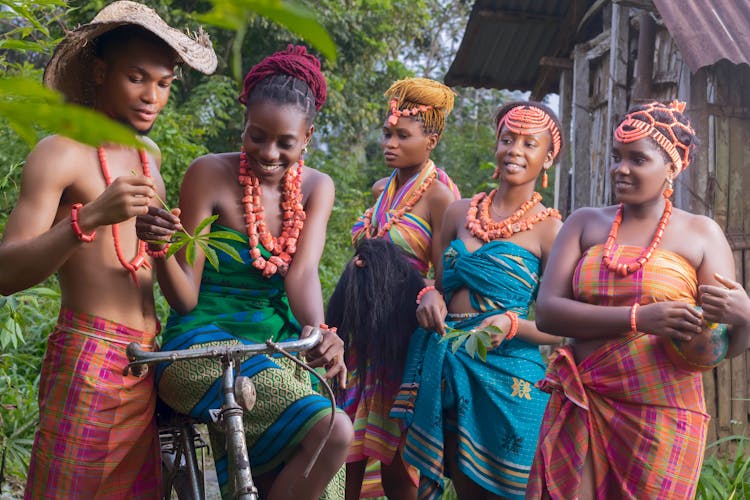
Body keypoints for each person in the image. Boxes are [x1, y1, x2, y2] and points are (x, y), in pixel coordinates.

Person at [0, 2, 217, 497]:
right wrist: (90, 217)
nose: (151, 96)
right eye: (136, 77)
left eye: (163, 83)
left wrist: (165, 244)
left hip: (146, 366)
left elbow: (182, 297)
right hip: (87, 360)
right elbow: (5, 272)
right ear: (100, 72)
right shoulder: (61, 152)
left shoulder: (150, 159)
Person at [135, 45, 351, 500]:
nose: (268, 153)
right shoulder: (208, 175)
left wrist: (320, 332)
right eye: (256, 136)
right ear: (244, 122)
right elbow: (185, 298)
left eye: (285, 143)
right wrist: (159, 248)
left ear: (307, 136)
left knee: (310, 463)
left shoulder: (318, 188)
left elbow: (303, 273)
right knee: (333, 431)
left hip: (275, 343)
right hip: (201, 346)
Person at [527, 100, 750, 499]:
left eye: (637, 159)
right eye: (617, 158)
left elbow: (715, 347)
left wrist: (745, 319)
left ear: (672, 168)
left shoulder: (702, 234)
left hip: (661, 417)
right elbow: (547, 313)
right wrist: (638, 318)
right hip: (584, 400)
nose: (620, 169)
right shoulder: (584, 222)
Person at [391, 101, 564, 499]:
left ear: (548, 157)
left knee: (512, 488)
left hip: (510, 372)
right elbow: (436, 283)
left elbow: (560, 328)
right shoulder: (457, 213)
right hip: (446, 359)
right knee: (463, 485)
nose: (514, 151)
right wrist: (430, 295)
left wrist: (512, 325)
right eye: (507, 139)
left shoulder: (552, 231)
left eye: (529, 143)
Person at [342, 77, 461, 499]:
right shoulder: (381, 190)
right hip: (363, 338)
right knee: (349, 449)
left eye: (402, 136)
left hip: (402, 339)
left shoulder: (441, 198)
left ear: (430, 141)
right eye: (387, 133)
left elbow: (447, 276)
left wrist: (430, 295)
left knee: (395, 459)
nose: (389, 143)